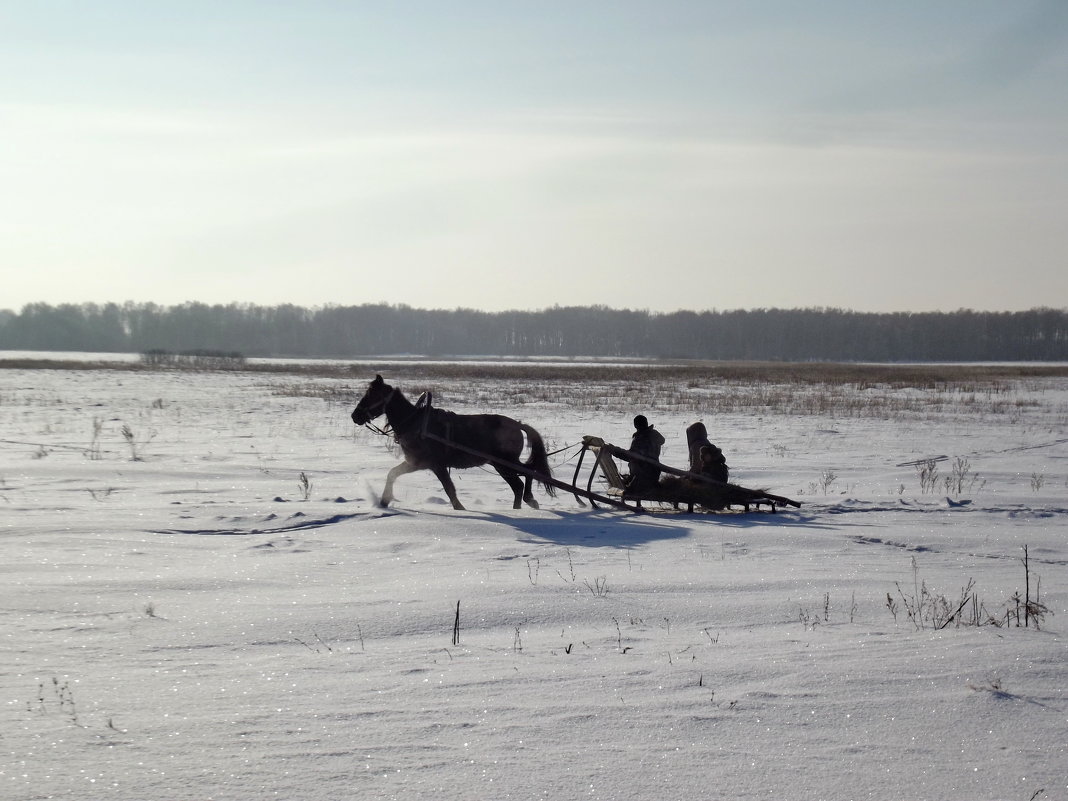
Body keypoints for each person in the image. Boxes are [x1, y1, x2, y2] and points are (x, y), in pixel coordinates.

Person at [626, 414, 665, 492]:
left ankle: (633, 484)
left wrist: (617, 452)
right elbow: (662, 440)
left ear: (635, 425)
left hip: (644, 475)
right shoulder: (653, 433)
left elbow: (632, 455)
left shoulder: (641, 437)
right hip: (655, 472)